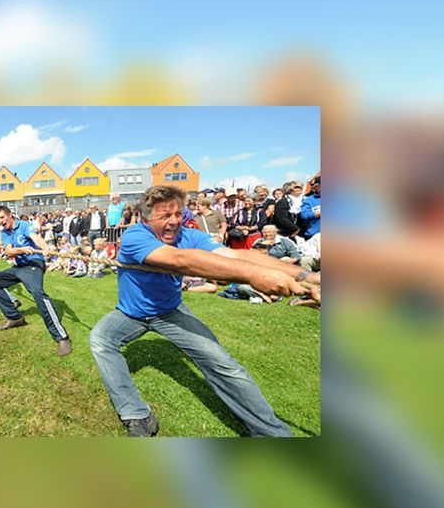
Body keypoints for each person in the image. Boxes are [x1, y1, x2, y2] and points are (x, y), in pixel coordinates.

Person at [88, 185, 320, 437]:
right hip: (130, 314)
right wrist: (254, 276)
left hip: (169, 312)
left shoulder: (189, 236)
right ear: (145, 218)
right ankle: (136, 414)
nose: (174, 221)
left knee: (225, 365)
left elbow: (234, 255)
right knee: (101, 340)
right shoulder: (135, 236)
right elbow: (181, 261)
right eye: (164, 216)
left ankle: (272, 435)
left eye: (178, 214)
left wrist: (304, 274)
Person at [0, 205, 72, 357]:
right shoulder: (4, 232)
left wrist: (45, 248)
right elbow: (9, 251)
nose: (0, 221)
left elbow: (36, 238)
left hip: (34, 264)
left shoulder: (24, 225)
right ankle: (15, 317)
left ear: (10, 215)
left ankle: (61, 337)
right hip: (20, 266)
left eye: (2, 218)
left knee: (37, 292)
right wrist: (22, 250)